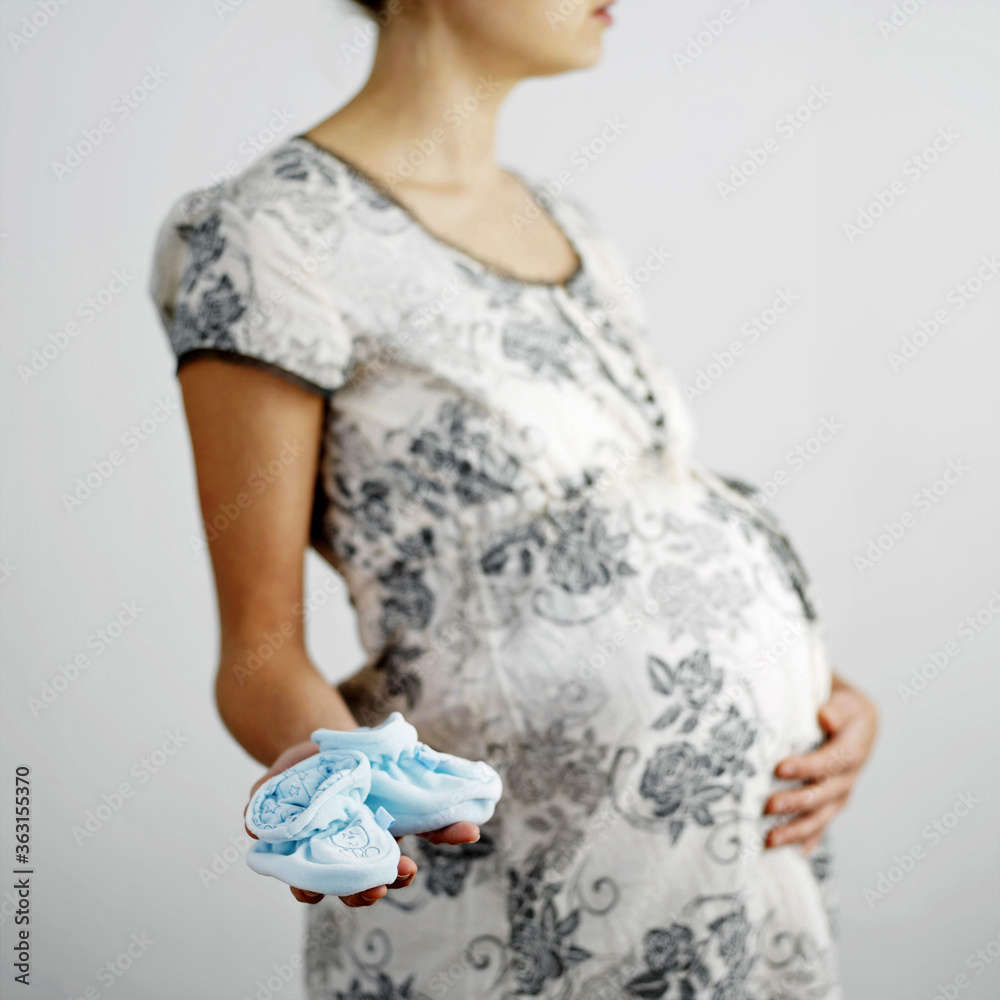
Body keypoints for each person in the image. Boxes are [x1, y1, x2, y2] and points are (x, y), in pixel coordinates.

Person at [148, 1, 878, 996]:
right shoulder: (268, 232)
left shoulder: (568, 224)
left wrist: (815, 694)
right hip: (516, 896)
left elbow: (635, 527)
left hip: (725, 880)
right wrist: (335, 785)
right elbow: (259, 650)